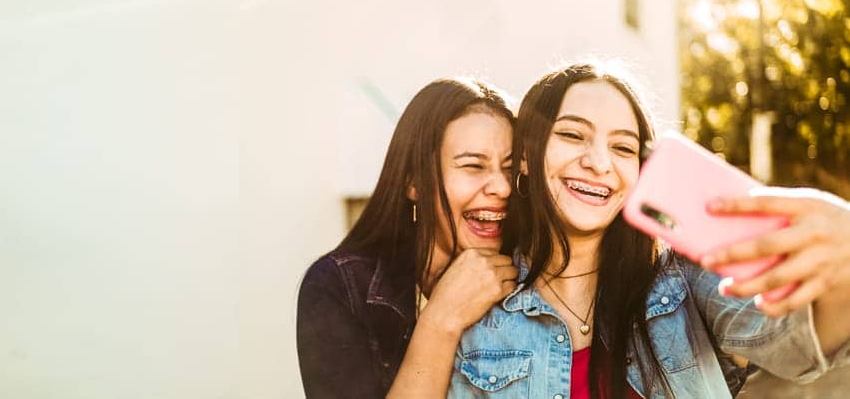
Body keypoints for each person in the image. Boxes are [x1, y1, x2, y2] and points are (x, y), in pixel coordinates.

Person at [447, 62, 850, 398]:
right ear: (525, 160)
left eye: (623, 147)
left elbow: (798, 345)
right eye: (572, 135)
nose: (600, 163)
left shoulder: (684, 280)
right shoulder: (479, 308)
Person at [296, 77, 520, 398]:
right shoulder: (339, 285)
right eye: (473, 166)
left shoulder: (533, 277)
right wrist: (441, 320)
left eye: (510, 169)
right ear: (414, 181)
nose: (502, 187)